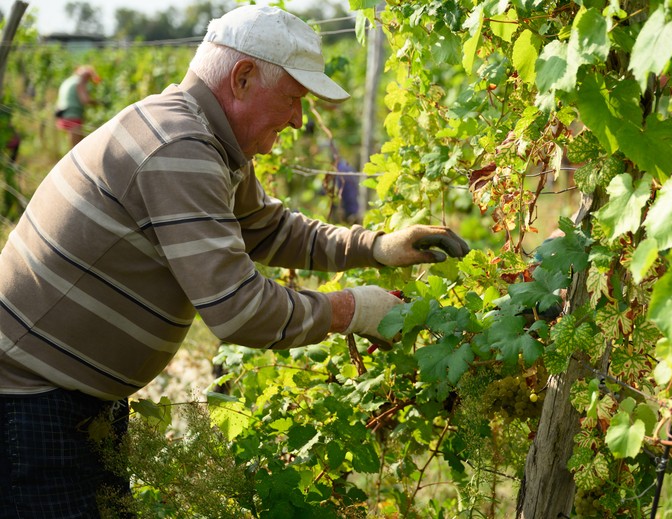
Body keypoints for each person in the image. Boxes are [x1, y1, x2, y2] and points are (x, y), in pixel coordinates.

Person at [0, 5, 469, 517]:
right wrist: (353, 310)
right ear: (242, 77)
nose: (298, 119)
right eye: (293, 97)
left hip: (60, 397)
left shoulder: (205, 138)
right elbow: (238, 310)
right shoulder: (180, 148)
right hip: (28, 400)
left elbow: (268, 228)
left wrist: (375, 246)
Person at [54, 64, 101, 147]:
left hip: (62, 114)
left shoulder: (69, 81)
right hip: (72, 115)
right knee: (77, 146)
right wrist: (97, 103)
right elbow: (85, 100)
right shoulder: (80, 81)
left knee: (76, 144)